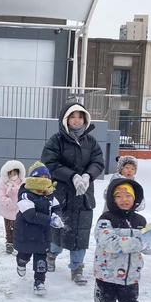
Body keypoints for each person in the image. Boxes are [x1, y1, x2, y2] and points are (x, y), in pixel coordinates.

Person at [41, 102, 104, 285]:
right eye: (73, 117)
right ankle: (51, 255)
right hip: (62, 196)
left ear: (85, 119)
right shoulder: (56, 140)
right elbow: (50, 163)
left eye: (80, 116)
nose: (77, 120)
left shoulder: (91, 141)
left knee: (80, 235)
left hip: (84, 196)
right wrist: (72, 176)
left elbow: (98, 162)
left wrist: (87, 175)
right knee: (58, 232)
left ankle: (77, 268)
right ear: (66, 120)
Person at [13, 161, 64, 296]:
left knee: (41, 261)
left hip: (42, 236)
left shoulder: (50, 195)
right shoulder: (25, 194)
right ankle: (21, 262)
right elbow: (30, 215)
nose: (44, 181)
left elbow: (57, 208)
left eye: (47, 178)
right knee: (24, 254)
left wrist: (57, 216)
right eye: (41, 178)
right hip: (26, 233)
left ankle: (39, 282)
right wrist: (49, 219)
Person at [0, 160, 26, 254]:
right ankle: (9, 243)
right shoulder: (3, 184)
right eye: (11, 174)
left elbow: (25, 195)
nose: (13, 176)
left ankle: (18, 243)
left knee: (18, 228)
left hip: (19, 211)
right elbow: (1, 197)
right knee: (8, 228)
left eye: (15, 173)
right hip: (7, 211)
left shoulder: (23, 184)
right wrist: (10, 202)